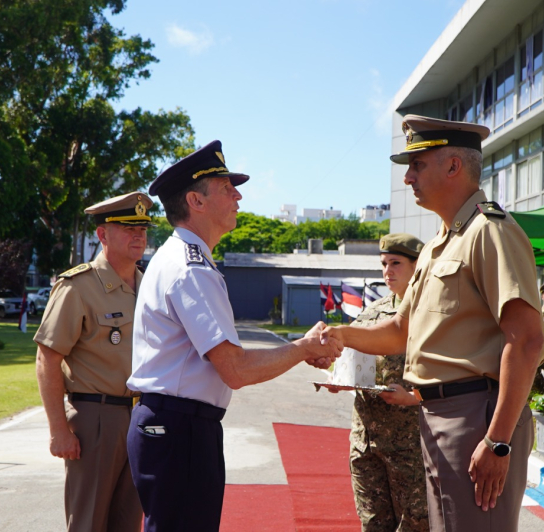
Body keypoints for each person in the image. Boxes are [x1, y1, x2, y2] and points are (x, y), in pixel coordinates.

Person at [321, 116, 544, 532]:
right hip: (437, 415)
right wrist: (337, 335)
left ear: (453, 167)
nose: (408, 178)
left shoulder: (490, 231)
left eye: (417, 164)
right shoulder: (439, 245)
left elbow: (528, 341)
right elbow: (398, 331)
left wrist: (497, 441)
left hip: (476, 417)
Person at [126, 141, 339, 532]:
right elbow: (235, 370)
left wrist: (300, 350)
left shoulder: (184, 259)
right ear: (196, 200)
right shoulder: (191, 269)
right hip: (179, 429)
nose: (238, 195)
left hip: (176, 426)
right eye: (226, 187)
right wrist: (304, 348)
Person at [34, 191, 154, 532]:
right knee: (88, 522)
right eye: (128, 228)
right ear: (102, 235)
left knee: (128, 522)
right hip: (95, 420)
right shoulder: (78, 286)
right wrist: (59, 429)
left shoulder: (149, 287)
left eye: (143, 229)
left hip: (140, 416)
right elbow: (47, 357)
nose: (139, 236)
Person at [343, 233, 429, 532]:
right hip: (367, 443)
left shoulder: (434, 315)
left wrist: (414, 396)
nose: (387, 271)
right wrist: (338, 379)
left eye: (396, 263)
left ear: (418, 266)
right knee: (373, 525)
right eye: (383, 264)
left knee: (415, 525)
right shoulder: (371, 313)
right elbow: (350, 361)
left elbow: (455, 378)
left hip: (410, 447)